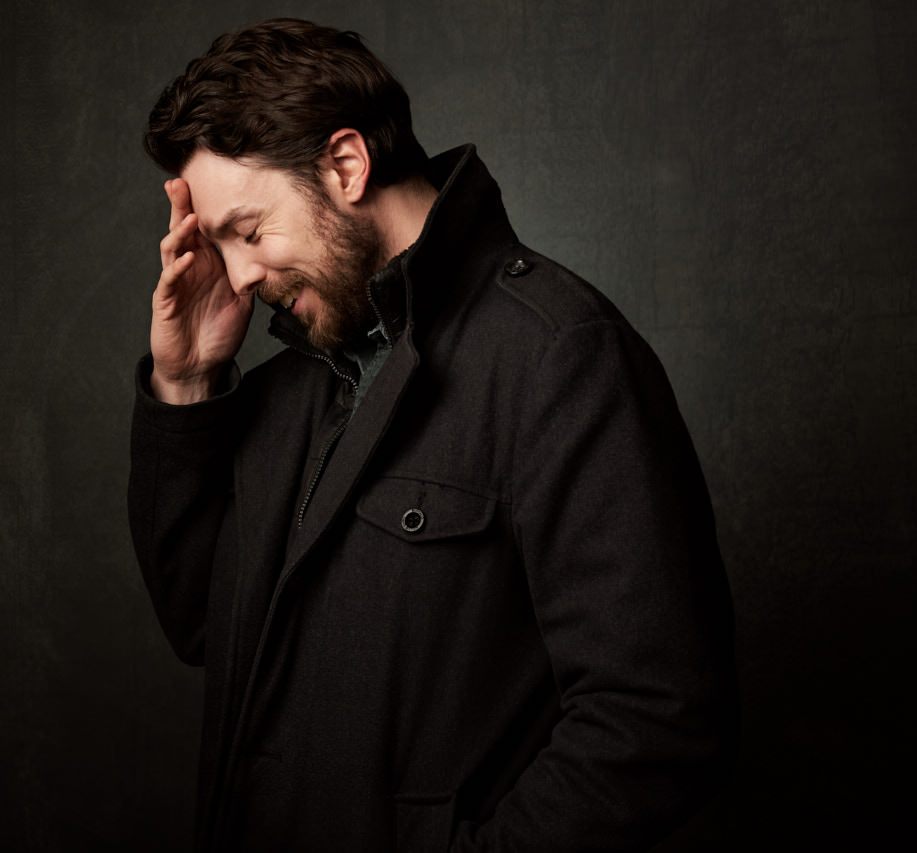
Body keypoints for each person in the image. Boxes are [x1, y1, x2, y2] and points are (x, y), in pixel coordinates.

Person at [128, 18, 737, 852]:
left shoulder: (557, 356)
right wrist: (188, 382)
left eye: (248, 230)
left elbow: (656, 719)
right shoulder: (290, 386)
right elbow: (203, 624)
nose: (238, 277)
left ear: (346, 165)